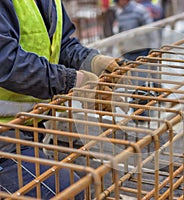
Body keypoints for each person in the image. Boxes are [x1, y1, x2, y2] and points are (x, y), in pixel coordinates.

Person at [0, 0, 120, 199]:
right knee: (70, 192)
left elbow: (61, 44)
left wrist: (91, 61)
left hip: (28, 129)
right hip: (5, 139)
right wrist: (72, 81)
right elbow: (5, 61)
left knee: (88, 181)